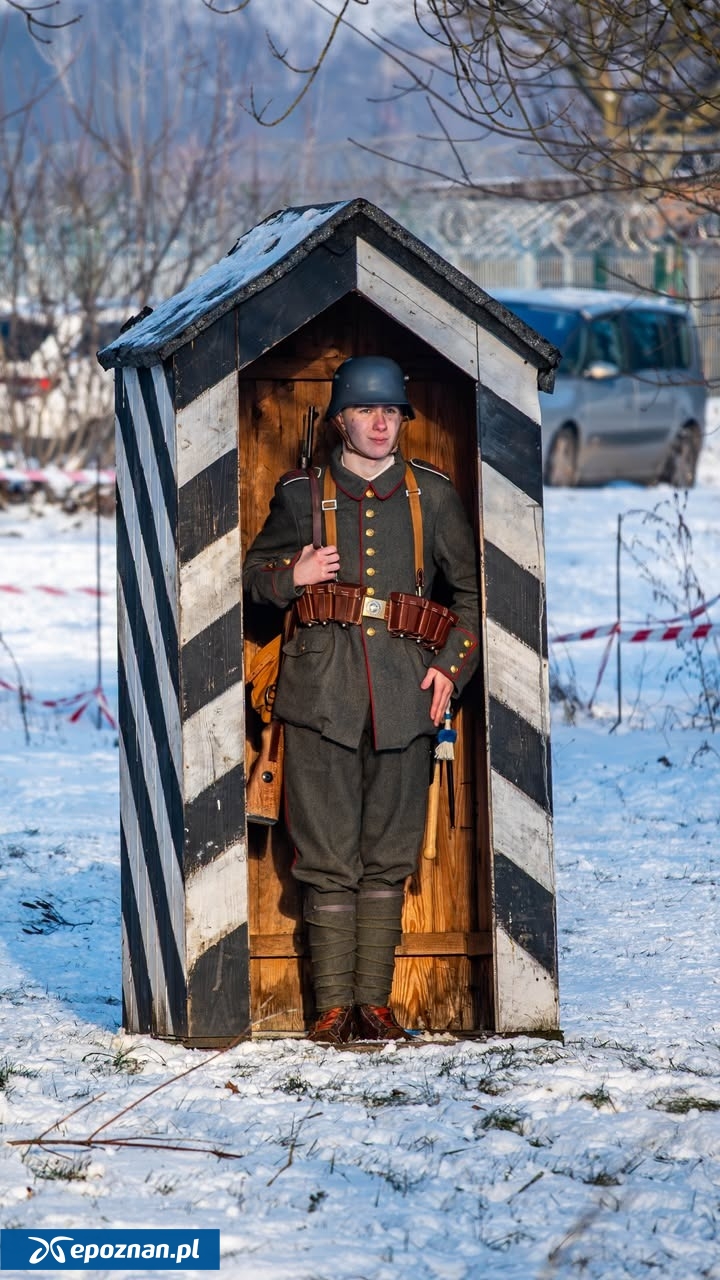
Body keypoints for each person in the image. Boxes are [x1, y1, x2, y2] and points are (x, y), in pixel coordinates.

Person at [243, 356, 480, 1044]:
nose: (381, 423)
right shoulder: (301, 495)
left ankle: (373, 1007)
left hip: (408, 698)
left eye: (392, 412)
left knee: (389, 858)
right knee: (324, 859)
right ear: (341, 419)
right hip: (318, 698)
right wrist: (293, 575)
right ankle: (330, 1009)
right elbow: (251, 581)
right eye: (367, 411)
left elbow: (472, 597)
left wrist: (449, 671)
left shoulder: (433, 495)